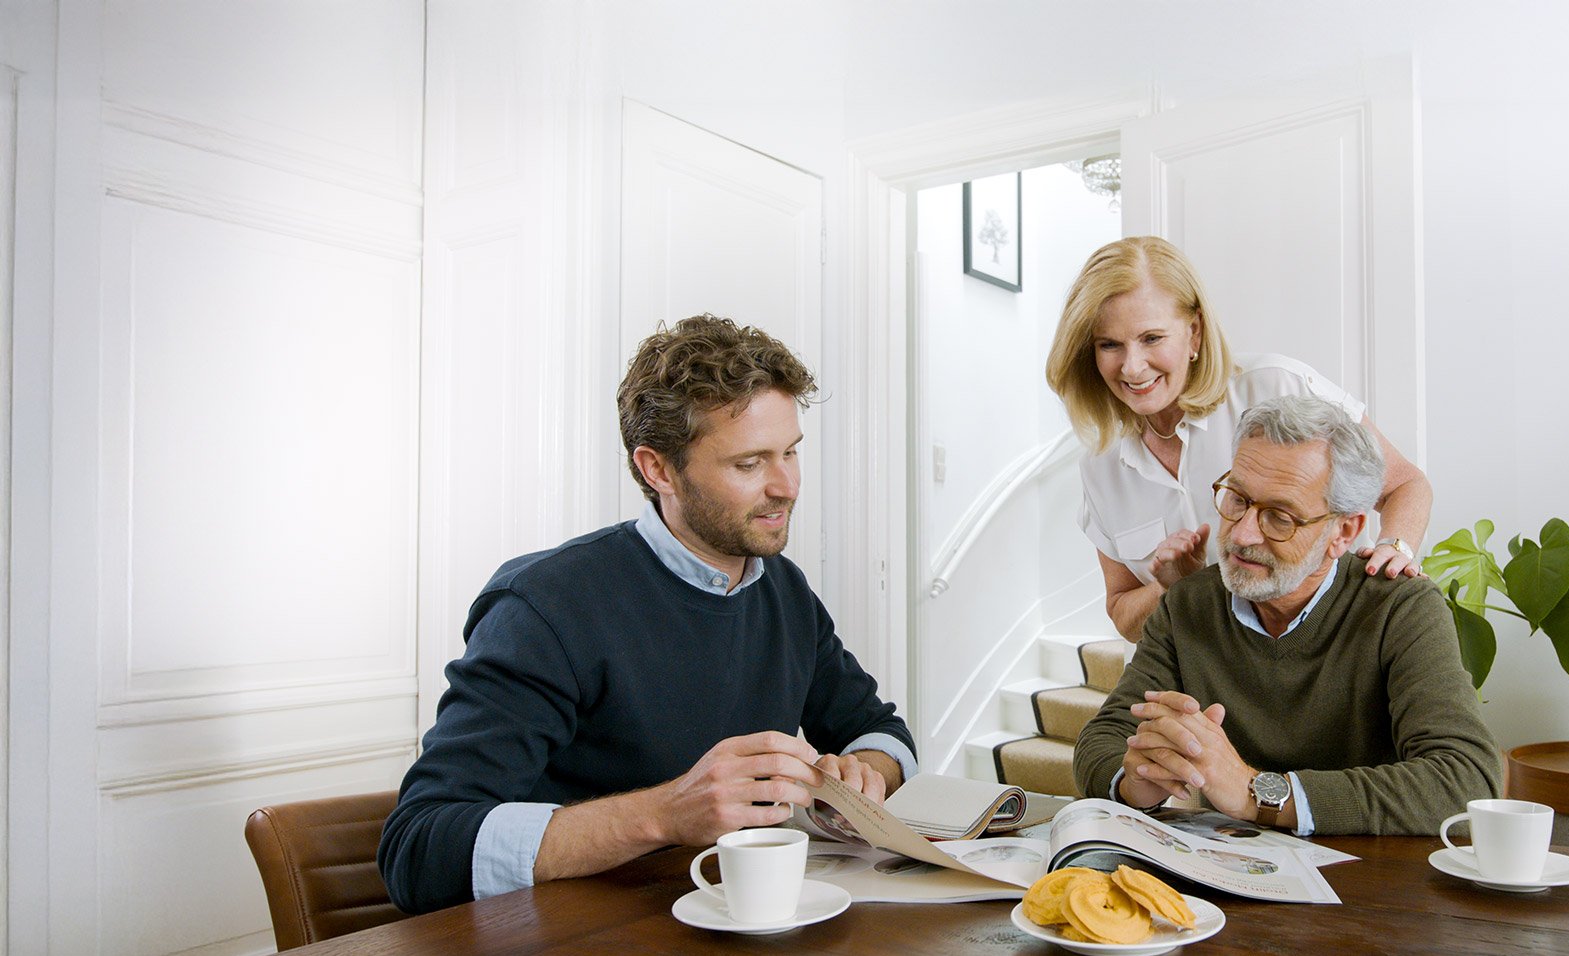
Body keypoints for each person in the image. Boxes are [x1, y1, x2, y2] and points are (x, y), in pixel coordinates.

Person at [379, 315, 917, 914]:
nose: (786, 485)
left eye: (791, 452)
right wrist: (664, 813)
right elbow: (419, 851)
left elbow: (882, 732)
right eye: (749, 464)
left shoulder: (783, 589)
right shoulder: (545, 605)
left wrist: (867, 771)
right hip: (575, 936)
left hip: (724, 922)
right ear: (658, 469)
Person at [1071, 395, 1498, 835]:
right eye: (1236, 498)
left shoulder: (1399, 608)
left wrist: (1260, 793)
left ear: (1343, 531)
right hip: (1227, 875)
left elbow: (1466, 780)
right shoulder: (1189, 603)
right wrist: (1135, 780)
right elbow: (1101, 740)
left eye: (1280, 517)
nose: (1241, 532)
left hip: (1367, 882)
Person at [1045, 236, 1434, 642]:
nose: (1133, 366)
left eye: (1152, 338)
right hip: (1207, 682)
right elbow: (1124, 615)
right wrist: (1170, 586)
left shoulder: (1276, 385)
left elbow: (1405, 484)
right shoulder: (1100, 464)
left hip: (1332, 652)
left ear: (1194, 333)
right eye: (1109, 345)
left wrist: (1396, 549)